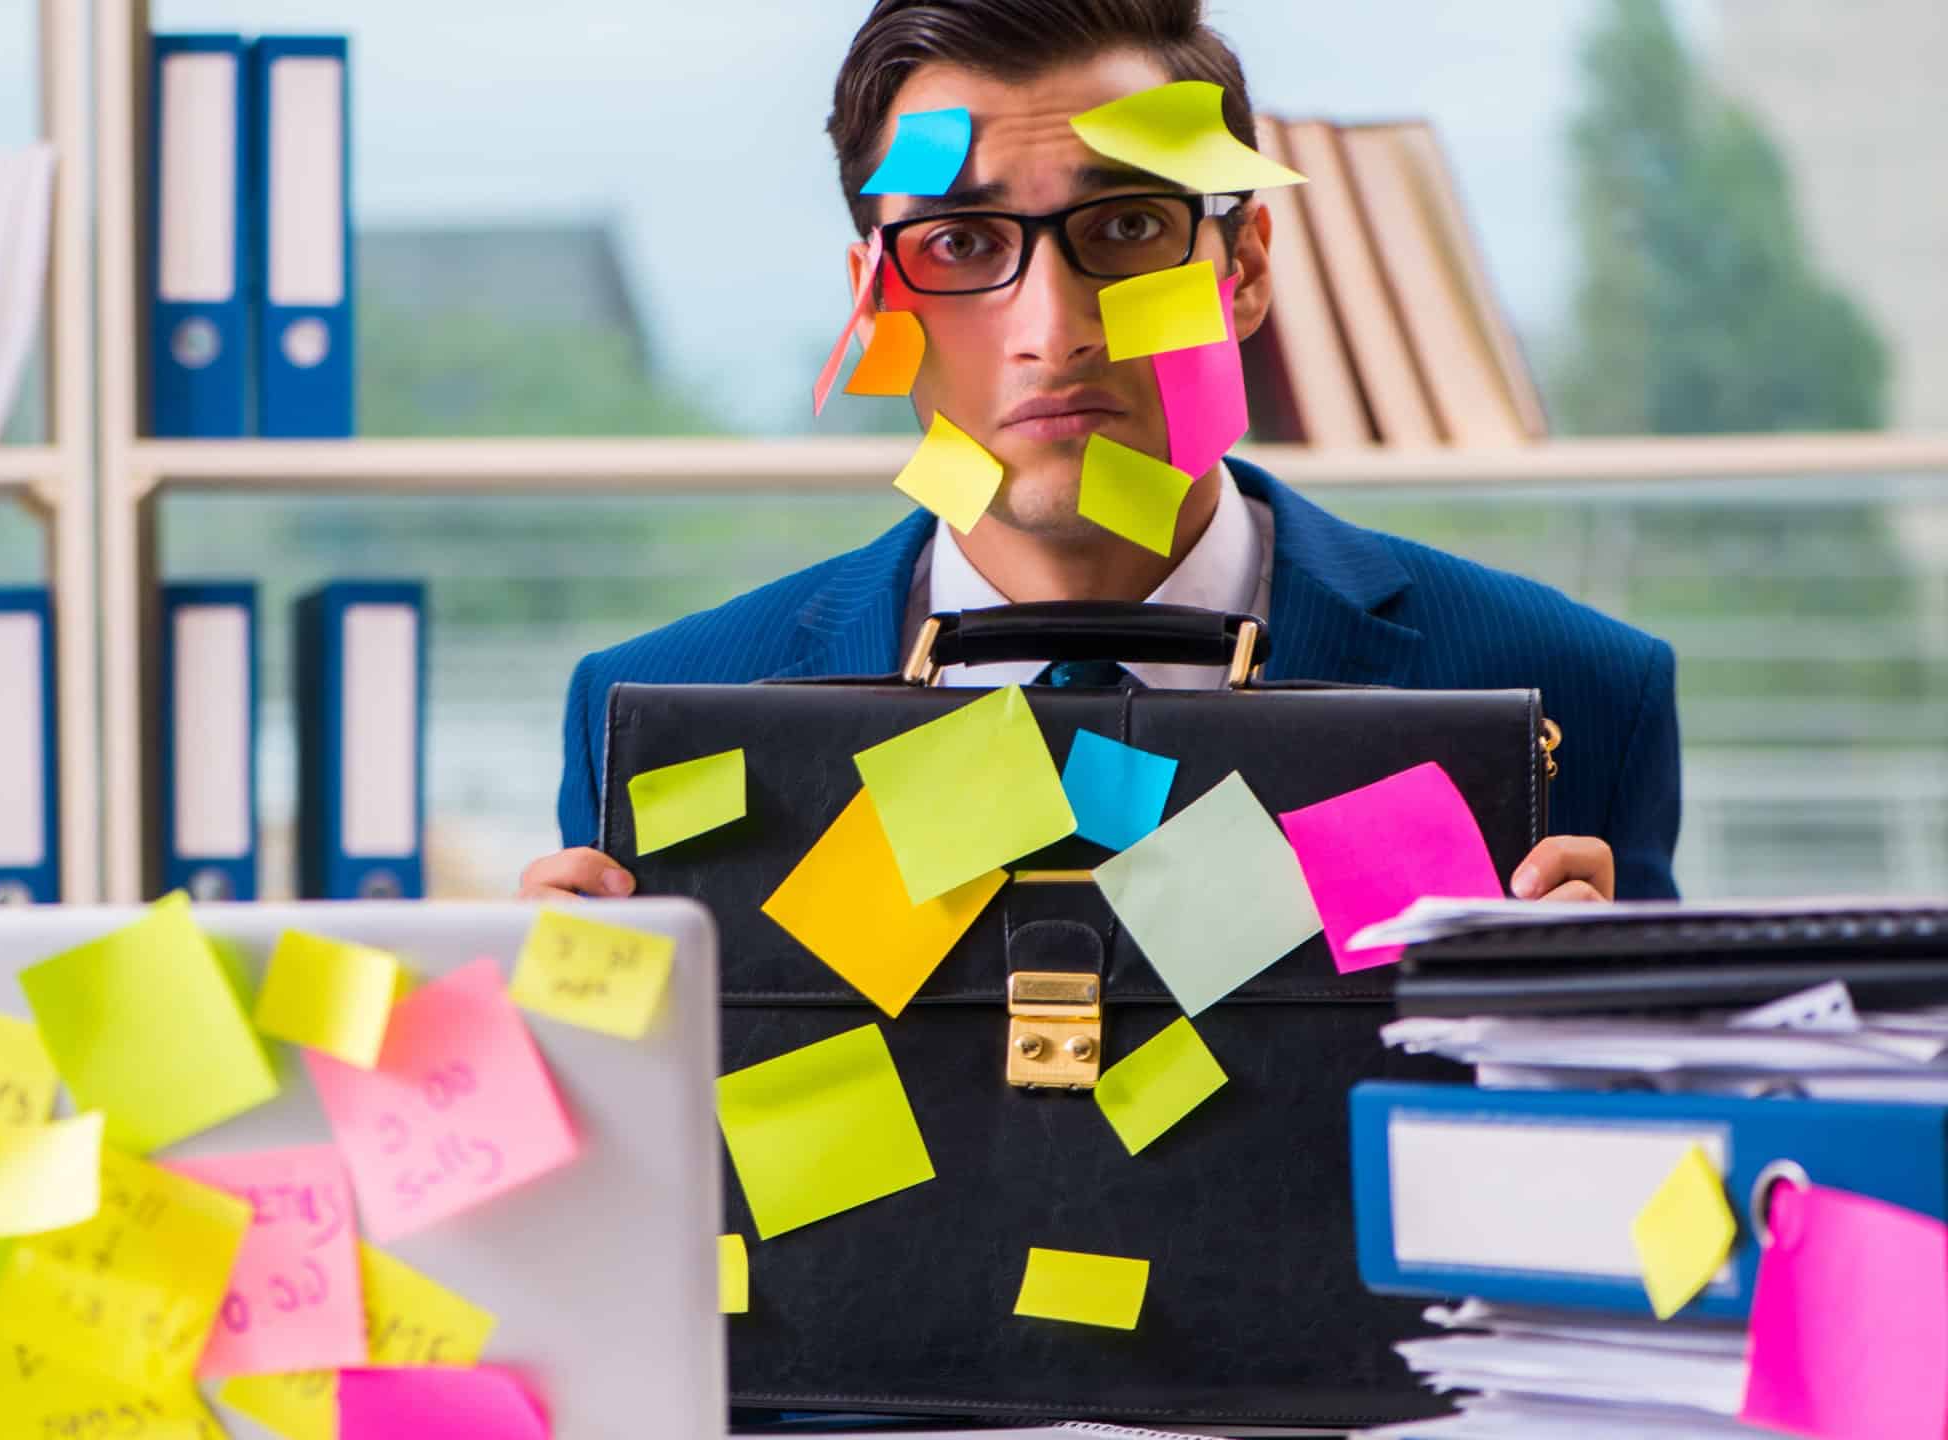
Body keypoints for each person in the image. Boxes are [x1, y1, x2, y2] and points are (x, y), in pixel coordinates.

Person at [519, 0, 1679, 905]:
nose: (1053, 329)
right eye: (959, 243)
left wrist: (1608, 1038)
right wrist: (576, 1059)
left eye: (1126, 226)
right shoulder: (661, 719)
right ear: (872, 305)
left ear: (1244, 269)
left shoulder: (1570, 690)